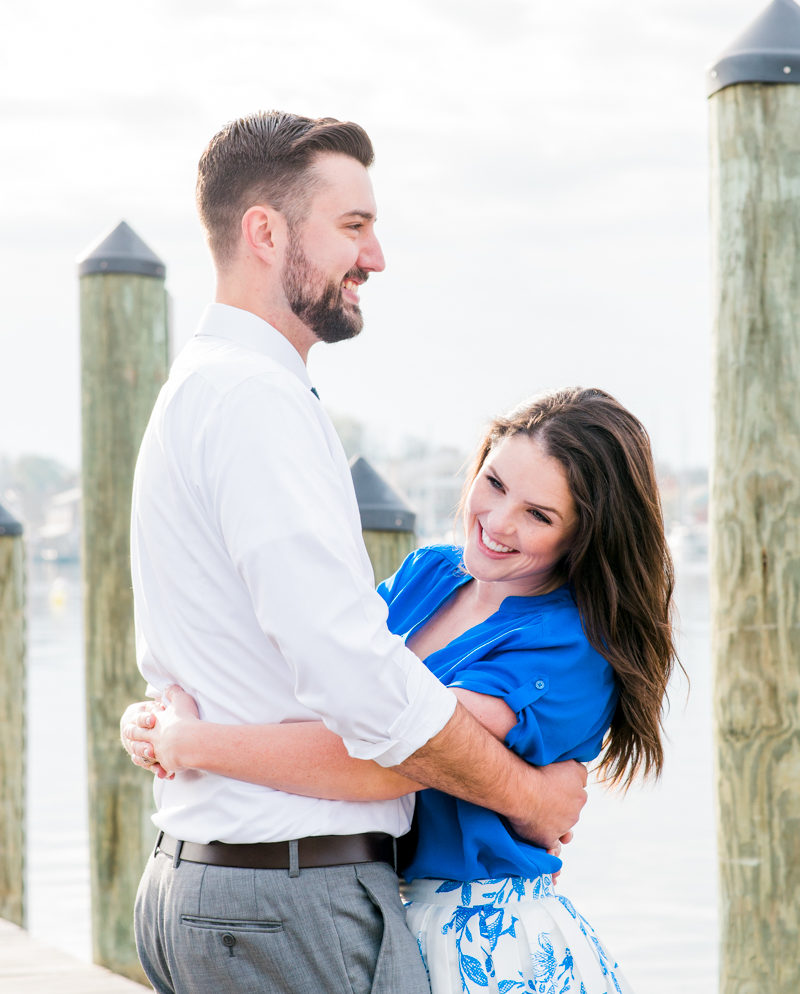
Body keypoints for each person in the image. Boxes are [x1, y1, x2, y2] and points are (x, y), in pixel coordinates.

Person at [124, 110, 589, 994]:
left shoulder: (205, 391)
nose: (375, 257)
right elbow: (358, 682)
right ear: (265, 232)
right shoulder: (256, 402)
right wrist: (529, 797)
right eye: (353, 227)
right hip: (284, 897)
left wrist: (181, 736)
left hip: (221, 883)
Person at [125, 385, 678, 994]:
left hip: (482, 938)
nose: (497, 522)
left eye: (539, 515)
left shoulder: (564, 644)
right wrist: (168, 708)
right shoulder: (429, 574)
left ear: (584, 537)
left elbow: (391, 760)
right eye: (494, 484)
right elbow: (311, 692)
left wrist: (191, 744)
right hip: (377, 907)